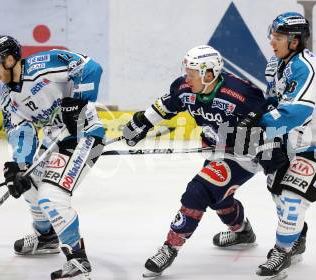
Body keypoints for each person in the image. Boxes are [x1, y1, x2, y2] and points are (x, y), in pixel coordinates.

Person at [123, 45, 287, 277]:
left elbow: (268, 119)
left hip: (244, 153)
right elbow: (165, 105)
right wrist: (142, 123)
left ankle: (169, 248)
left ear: (208, 74)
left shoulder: (240, 93)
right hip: (215, 148)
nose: (186, 78)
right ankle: (242, 232)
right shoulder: (184, 88)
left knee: (197, 192)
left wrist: (268, 149)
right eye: (187, 72)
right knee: (218, 198)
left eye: (192, 73)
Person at [0, 35, 105, 280]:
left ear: (9, 59)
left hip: (85, 133)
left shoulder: (43, 64)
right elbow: (21, 131)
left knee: (52, 196)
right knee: (29, 183)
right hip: (55, 139)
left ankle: (78, 259)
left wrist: (77, 102)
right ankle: (46, 237)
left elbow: (91, 67)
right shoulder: (9, 98)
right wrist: (19, 165)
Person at [239, 12, 316, 278]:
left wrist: (258, 127)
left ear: (295, 41)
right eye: (272, 35)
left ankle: (283, 250)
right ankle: (296, 237)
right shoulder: (279, 62)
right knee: (276, 187)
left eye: (278, 37)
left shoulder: (304, 68)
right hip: (296, 137)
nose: (271, 41)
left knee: (291, 199)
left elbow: (296, 113)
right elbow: (278, 101)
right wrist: (257, 117)